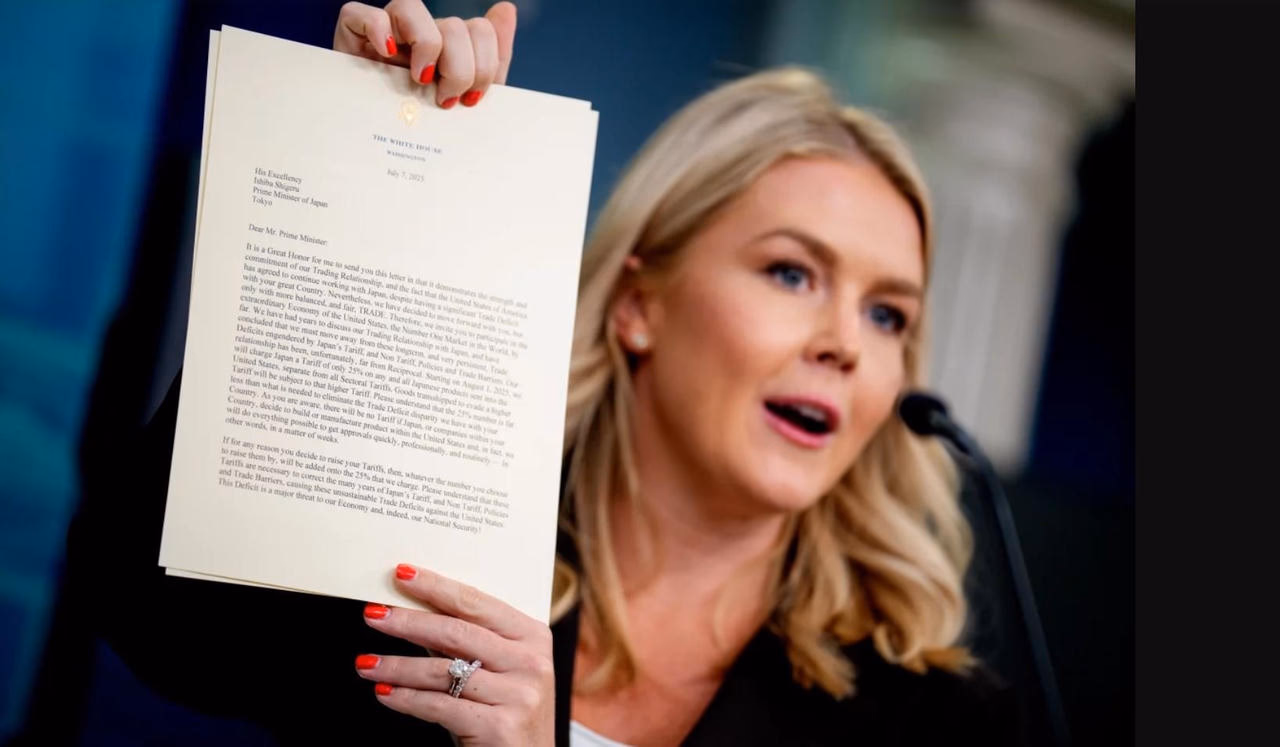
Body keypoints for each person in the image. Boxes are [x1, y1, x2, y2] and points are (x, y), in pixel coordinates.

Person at [66, 2, 1022, 745]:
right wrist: (355, 173)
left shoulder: (943, 726)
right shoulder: (433, 550)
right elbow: (156, 623)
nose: (846, 342)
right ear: (639, 303)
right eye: (791, 273)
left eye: (888, 313)